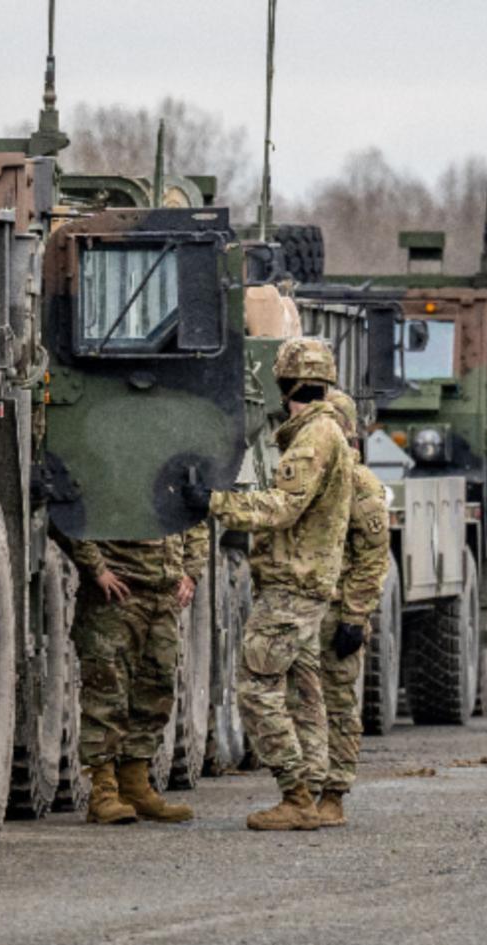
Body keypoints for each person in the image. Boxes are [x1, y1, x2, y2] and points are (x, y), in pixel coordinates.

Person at [184, 337, 353, 831]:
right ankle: (319, 795)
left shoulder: (314, 438)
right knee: (304, 692)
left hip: (291, 589)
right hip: (306, 587)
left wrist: (214, 502)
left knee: (256, 687)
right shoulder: (325, 433)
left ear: (284, 384)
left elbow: (283, 506)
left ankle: (296, 794)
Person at [70, 525, 208, 825]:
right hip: (118, 592)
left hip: (163, 597)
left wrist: (191, 571)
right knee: (107, 695)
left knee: (155, 694)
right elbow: (71, 513)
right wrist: (96, 568)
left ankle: (135, 785)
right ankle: (103, 792)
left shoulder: (174, 475)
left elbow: (194, 516)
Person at [301, 388, 390, 828]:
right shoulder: (306, 476)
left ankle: (334, 792)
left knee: (338, 704)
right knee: (299, 703)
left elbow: (373, 558)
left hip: (337, 613)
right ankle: (301, 789)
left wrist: (355, 616)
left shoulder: (360, 485)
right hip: (303, 608)